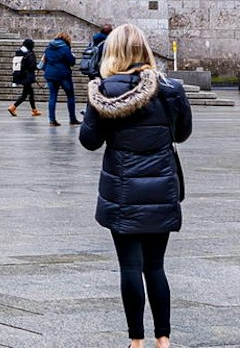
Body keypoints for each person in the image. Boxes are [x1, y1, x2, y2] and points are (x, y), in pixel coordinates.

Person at [80, 23, 192, 348]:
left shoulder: (103, 92)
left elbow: (89, 141)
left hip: (123, 190)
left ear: (112, 52)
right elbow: (181, 134)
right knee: (155, 266)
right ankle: (164, 339)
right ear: (144, 50)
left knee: (130, 266)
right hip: (161, 188)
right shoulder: (171, 89)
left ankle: (136, 342)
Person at [43, 30, 79, 125]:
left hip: (50, 74)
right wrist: (73, 57)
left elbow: (45, 60)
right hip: (63, 75)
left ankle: (52, 119)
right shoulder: (65, 48)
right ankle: (72, 118)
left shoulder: (49, 47)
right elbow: (71, 62)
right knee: (70, 96)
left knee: (52, 96)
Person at [8, 37, 40, 118]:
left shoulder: (20, 53)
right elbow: (32, 66)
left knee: (31, 93)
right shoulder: (30, 53)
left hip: (22, 76)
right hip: (27, 77)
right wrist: (37, 66)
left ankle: (34, 110)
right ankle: (13, 107)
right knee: (25, 95)